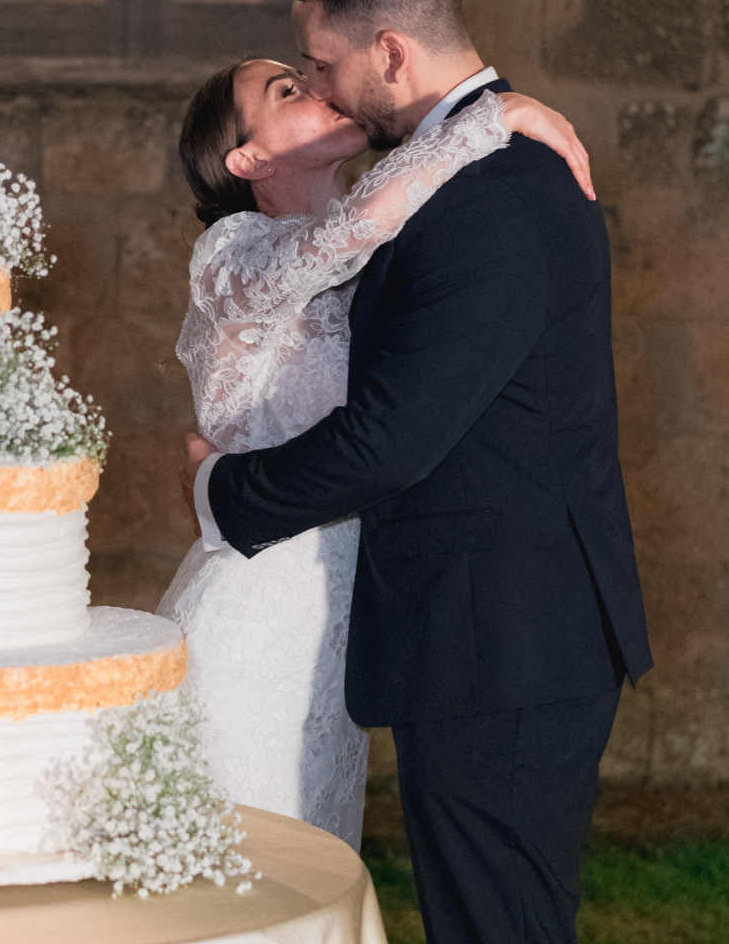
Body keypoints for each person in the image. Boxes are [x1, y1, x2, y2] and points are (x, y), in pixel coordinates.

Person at [177, 0, 651, 944]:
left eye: (322, 59)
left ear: (390, 51)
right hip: (465, 637)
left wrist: (221, 496)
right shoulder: (453, 170)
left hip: (503, 647)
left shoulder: (495, 196)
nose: (314, 82)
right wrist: (505, 111)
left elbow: (395, 437)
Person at [161, 58, 592, 849]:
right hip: (264, 601)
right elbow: (349, 229)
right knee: (242, 857)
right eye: (286, 92)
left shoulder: (382, 268)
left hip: (348, 617)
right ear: (245, 161)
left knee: (316, 856)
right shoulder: (233, 251)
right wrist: (487, 120)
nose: (317, 89)